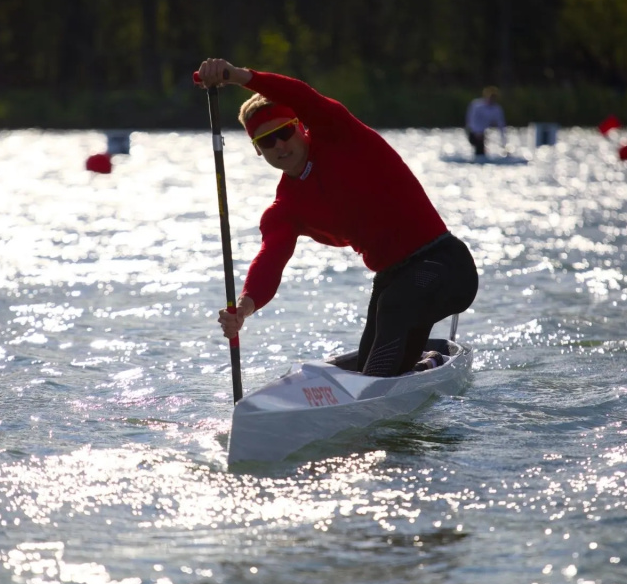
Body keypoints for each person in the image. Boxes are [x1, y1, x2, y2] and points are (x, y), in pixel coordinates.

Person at [195, 58, 479, 378]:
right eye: (266, 141)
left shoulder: (338, 134)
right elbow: (269, 261)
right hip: (394, 280)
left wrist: (238, 76)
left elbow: (302, 96)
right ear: (258, 150)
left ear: (300, 126)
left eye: (284, 132)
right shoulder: (284, 209)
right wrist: (244, 308)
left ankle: (377, 390)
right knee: (377, 355)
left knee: (394, 308)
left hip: (446, 265)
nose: (280, 145)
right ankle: (426, 365)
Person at [465, 86, 506, 157]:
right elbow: (471, 120)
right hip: (473, 132)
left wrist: (504, 143)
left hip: (482, 133)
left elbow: (501, 125)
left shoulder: (497, 109)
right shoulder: (476, 105)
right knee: (479, 147)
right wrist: (476, 133)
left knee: (481, 150)